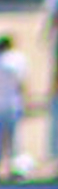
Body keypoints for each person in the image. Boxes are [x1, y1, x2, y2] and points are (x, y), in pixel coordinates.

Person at [0, 35, 23, 177]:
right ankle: (14, 168)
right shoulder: (17, 61)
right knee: (14, 138)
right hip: (13, 103)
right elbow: (21, 83)